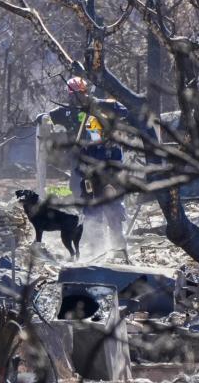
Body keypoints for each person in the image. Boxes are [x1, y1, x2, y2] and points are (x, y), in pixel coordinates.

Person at [47, 76, 130, 261]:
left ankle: (120, 252)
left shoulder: (106, 109)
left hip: (110, 173)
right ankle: (97, 252)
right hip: (87, 174)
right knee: (92, 213)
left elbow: (124, 110)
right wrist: (43, 119)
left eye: (80, 94)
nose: (77, 99)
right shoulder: (70, 113)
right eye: (73, 95)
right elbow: (51, 116)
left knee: (114, 211)